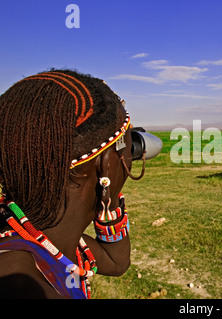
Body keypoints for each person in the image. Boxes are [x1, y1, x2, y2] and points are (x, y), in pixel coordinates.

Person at [0, 69, 138, 298]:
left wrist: (108, 198)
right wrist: (109, 182)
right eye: (125, 139)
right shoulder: (19, 284)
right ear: (105, 164)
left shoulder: (49, 241)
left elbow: (116, 262)